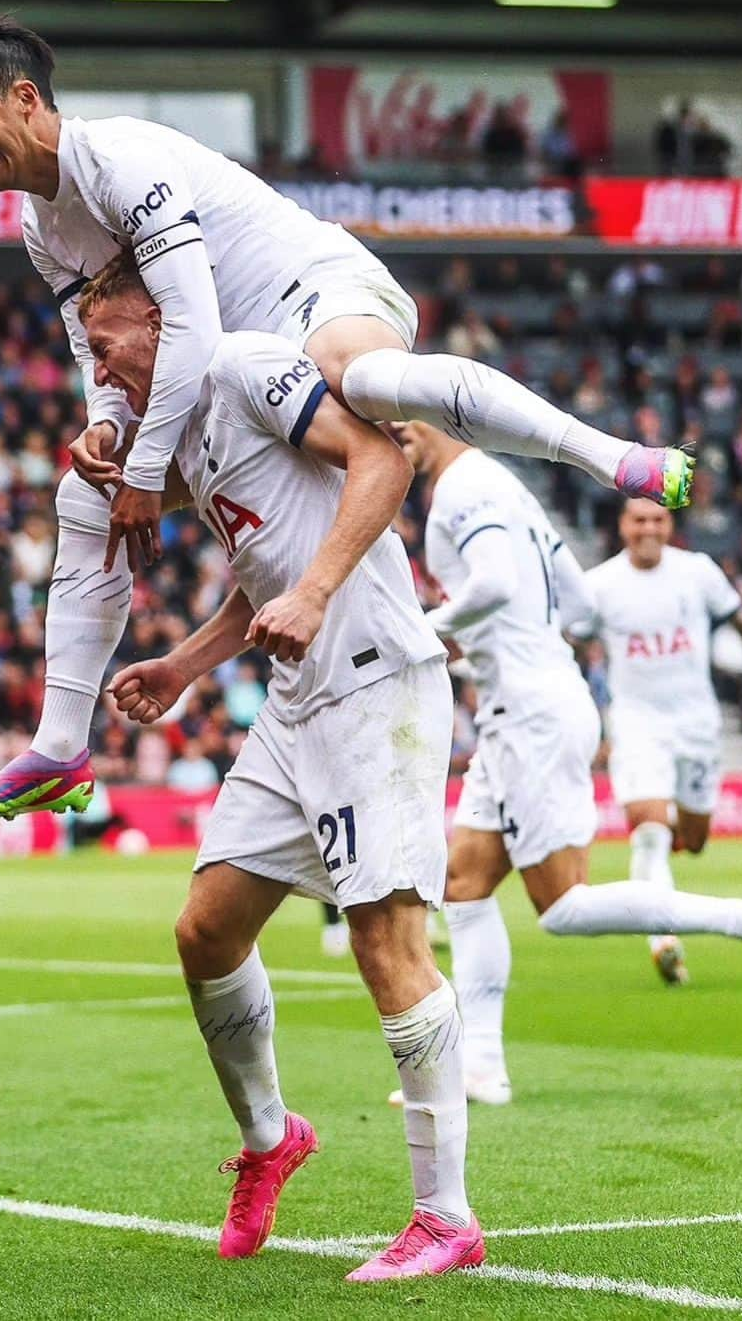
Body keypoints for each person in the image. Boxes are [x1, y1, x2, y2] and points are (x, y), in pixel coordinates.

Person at [0, 14, 692, 826]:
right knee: (84, 496)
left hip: (310, 296)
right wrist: (109, 432)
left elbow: (189, 325)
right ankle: (58, 746)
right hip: (233, 371)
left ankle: (610, 457)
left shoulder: (122, 160)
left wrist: (148, 476)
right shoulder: (41, 225)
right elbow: (99, 352)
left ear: (23, 97)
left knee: (354, 377)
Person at [82, 254, 483, 1280]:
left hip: (376, 685)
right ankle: (272, 1140)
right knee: (205, 930)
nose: (101, 371)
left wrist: (312, 594)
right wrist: (182, 664)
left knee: (386, 941)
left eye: (106, 346)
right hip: (299, 701)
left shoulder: (245, 366)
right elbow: (264, 576)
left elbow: (384, 464)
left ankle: (446, 1218)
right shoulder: (192, 434)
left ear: (157, 322)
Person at [391, 425, 742, 1107]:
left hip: (531, 711)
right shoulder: (506, 487)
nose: (390, 429)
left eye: (398, 415)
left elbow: (489, 583)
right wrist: (498, 643)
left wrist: (413, 635)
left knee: (563, 904)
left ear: (430, 416)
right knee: (465, 881)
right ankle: (480, 1064)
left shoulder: (461, 487)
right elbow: (575, 603)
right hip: (525, 704)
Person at [584, 498, 742, 986]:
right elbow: (569, 645)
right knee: (649, 831)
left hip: (696, 725)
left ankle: (665, 853)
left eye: (657, 519)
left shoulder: (698, 571)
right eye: (638, 520)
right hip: (636, 724)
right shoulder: (599, 586)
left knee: (691, 840)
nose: (648, 528)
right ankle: (663, 939)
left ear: (669, 524)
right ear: (622, 526)